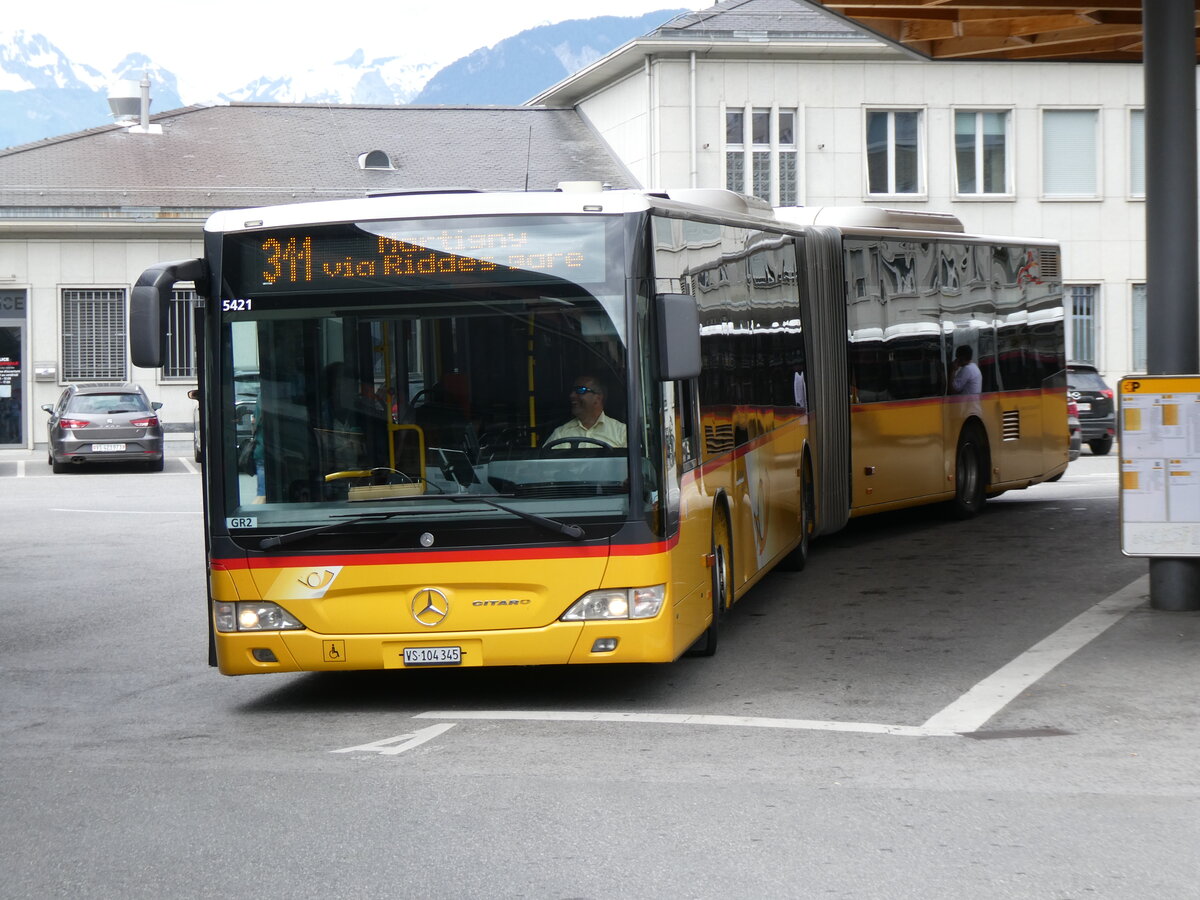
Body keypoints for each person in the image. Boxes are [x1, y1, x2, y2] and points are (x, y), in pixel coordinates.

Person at [545, 375, 627, 448]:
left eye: (580, 390)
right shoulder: (560, 434)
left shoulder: (622, 433)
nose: (572, 395)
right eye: (572, 391)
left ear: (598, 398)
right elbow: (545, 464)